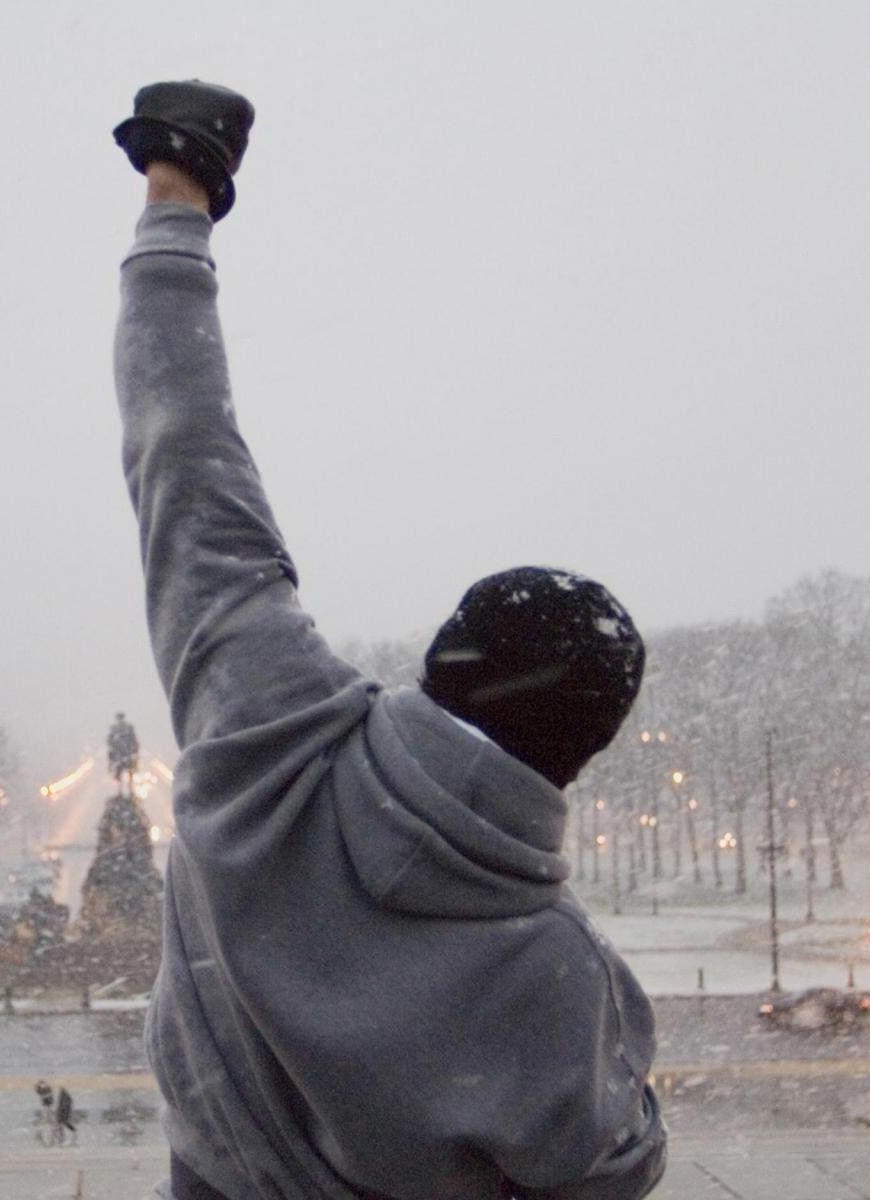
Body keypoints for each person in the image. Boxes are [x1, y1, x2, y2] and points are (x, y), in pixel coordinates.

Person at [111, 81, 664, 1200]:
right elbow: (612, 1169)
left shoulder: (270, 723)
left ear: (444, 658)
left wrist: (181, 195)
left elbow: (184, 449)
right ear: (580, 751)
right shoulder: (558, 978)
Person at [35, 1079, 56, 1146]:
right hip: (46, 1105)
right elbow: (38, 1091)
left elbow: (49, 1096)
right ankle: (47, 1135)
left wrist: (45, 1096)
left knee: (48, 1120)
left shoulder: (47, 1089)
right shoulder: (42, 1090)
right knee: (47, 1120)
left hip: (48, 1105)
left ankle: (50, 1136)